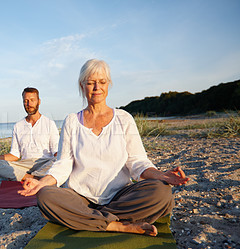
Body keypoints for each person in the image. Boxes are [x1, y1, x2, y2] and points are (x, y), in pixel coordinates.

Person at [19, 59, 189, 236]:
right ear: (82, 85)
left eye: (102, 82)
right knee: (46, 196)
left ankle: (92, 220)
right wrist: (42, 182)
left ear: (108, 84)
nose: (96, 88)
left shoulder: (124, 119)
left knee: (161, 192)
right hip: (80, 198)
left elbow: (137, 162)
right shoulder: (71, 121)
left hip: (119, 196)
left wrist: (161, 175)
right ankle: (118, 225)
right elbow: (63, 164)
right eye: (90, 83)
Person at [0, 87, 59, 181]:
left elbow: (56, 152)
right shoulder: (18, 126)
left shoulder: (49, 123)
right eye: (26, 101)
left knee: (58, 160)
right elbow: (15, 155)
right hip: (24, 165)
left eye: (32, 100)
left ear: (39, 101)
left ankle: (27, 176)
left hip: (45, 163)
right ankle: (34, 178)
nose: (29, 104)